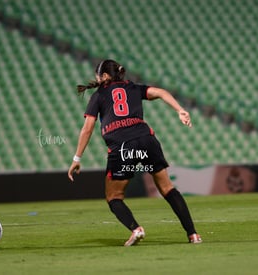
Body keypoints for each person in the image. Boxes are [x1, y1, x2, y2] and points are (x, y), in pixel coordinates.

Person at [68, 59, 202, 246]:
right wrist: (180, 110)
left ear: (105, 76)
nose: (96, 78)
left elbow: (87, 129)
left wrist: (77, 158)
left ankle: (136, 229)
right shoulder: (133, 88)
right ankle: (193, 235)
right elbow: (161, 92)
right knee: (167, 189)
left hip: (122, 146)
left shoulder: (98, 96)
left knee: (114, 197)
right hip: (147, 140)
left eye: (98, 75)